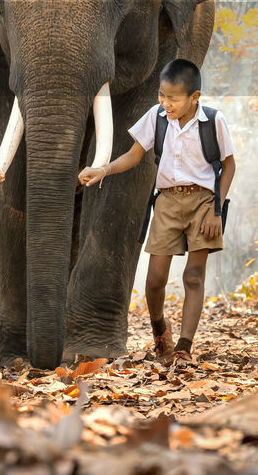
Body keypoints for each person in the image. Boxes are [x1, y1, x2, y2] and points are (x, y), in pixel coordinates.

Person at [78, 59, 235, 364]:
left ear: (195, 97)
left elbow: (229, 165)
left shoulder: (214, 121)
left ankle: (184, 348)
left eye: (173, 98)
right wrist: (103, 169)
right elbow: (134, 155)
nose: (165, 103)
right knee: (154, 279)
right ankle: (159, 328)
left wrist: (217, 209)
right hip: (166, 202)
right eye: (162, 95)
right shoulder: (158, 117)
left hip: (203, 202)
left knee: (193, 275)